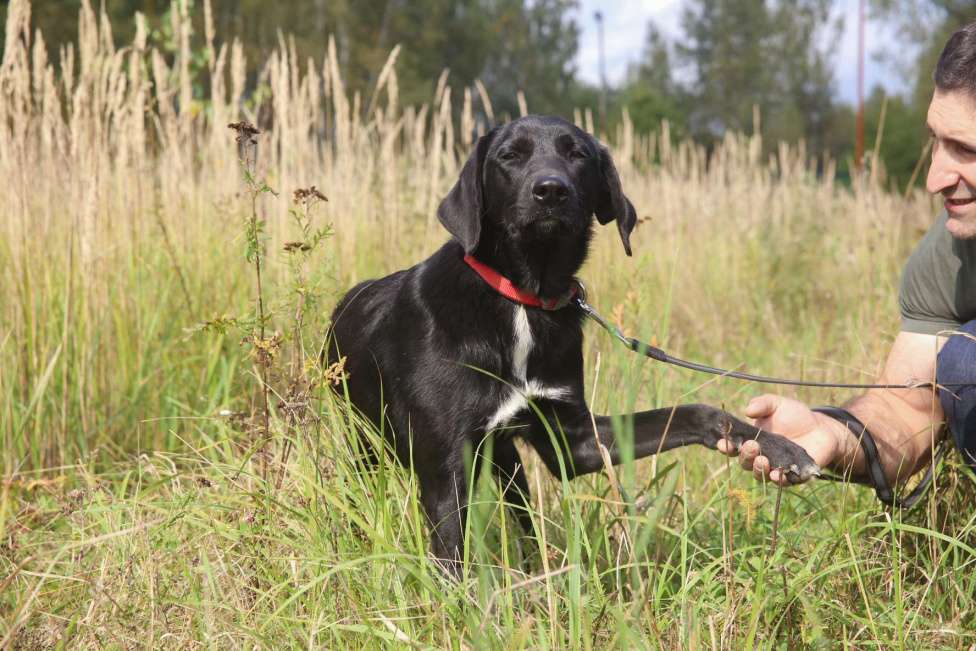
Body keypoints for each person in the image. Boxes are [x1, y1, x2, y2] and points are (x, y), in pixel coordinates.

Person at [718, 22, 976, 496]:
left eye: (965, 150)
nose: (934, 177)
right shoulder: (949, 255)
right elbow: (908, 411)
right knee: (966, 369)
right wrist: (832, 433)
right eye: (936, 142)